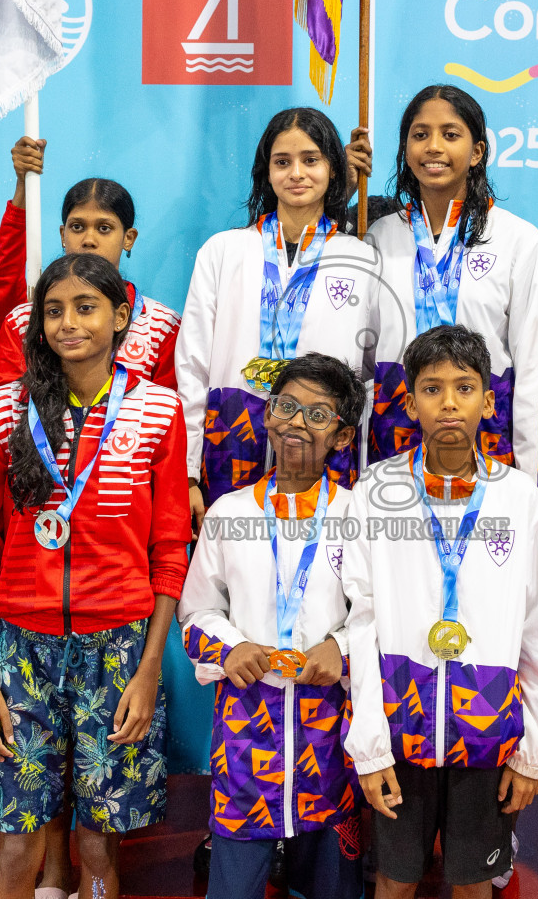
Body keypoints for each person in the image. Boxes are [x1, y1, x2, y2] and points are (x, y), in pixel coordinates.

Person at [0, 252, 189, 899]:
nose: (68, 324)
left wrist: (148, 669)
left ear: (120, 317)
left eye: (86, 308)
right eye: (54, 311)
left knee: (98, 842)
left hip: (119, 648)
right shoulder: (4, 411)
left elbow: (170, 549)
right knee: (17, 842)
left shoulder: (158, 411)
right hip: (19, 648)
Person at [344, 324, 538, 899]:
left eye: (464, 388)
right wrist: (369, 744)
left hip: (487, 730)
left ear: (489, 402)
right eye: (432, 388)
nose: (448, 402)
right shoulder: (375, 491)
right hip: (400, 726)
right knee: (395, 881)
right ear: (410, 402)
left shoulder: (518, 496)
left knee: (473, 884)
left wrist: (534, 750)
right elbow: (361, 622)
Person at [178, 353, 368, 899]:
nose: (296, 422)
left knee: (333, 890)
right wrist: (231, 648)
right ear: (267, 415)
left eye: (318, 413)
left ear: (342, 436)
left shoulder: (359, 516)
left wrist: (341, 648)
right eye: (286, 406)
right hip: (245, 741)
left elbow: (381, 613)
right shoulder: (228, 513)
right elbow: (196, 612)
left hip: (331, 739)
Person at [175, 106, 379, 527]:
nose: (296, 174)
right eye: (282, 162)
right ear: (265, 172)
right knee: (233, 558)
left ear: (333, 169)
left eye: (311, 160)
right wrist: (189, 472)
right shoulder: (223, 251)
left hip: (321, 446)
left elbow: (370, 378)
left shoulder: (362, 259)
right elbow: (192, 369)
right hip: (230, 441)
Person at [355, 85, 538, 501]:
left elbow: (533, 368)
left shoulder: (518, 239)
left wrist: (534, 479)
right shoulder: (379, 236)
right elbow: (363, 361)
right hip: (394, 437)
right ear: (405, 148)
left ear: (477, 151)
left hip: (486, 438)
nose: (433, 147)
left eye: (450, 134)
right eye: (420, 134)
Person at [0, 137, 180, 396]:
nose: (89, 240)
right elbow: (0, 407)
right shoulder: (26, 320)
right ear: (63, 235)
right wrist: (23, 187)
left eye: (104, 228)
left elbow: (168, 411)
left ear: (128, 238)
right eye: (77, 227)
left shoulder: (162, 326)